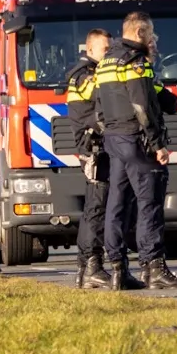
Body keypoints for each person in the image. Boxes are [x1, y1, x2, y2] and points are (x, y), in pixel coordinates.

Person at [91, 10, 177, 290]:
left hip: (114, 138)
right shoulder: (136, 62)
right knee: (150, 203)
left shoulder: (105, 62)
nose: (153, 37)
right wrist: (157, 143)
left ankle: (117, 270)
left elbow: (98, 107)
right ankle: (154, 268)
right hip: (137, 140)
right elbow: (142, 106)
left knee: (117, 204)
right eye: (150, 32)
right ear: (139, 33)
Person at [62, 28, 113, 288]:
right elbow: (100, 101)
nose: (110, 54)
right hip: (95, 148)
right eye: (106, 50)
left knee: (96, 207)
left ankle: (87, 268)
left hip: (100, 147)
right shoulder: (86, 76)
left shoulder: (92, 73)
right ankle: (92, 265)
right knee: (97, 208)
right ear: (90, 49)